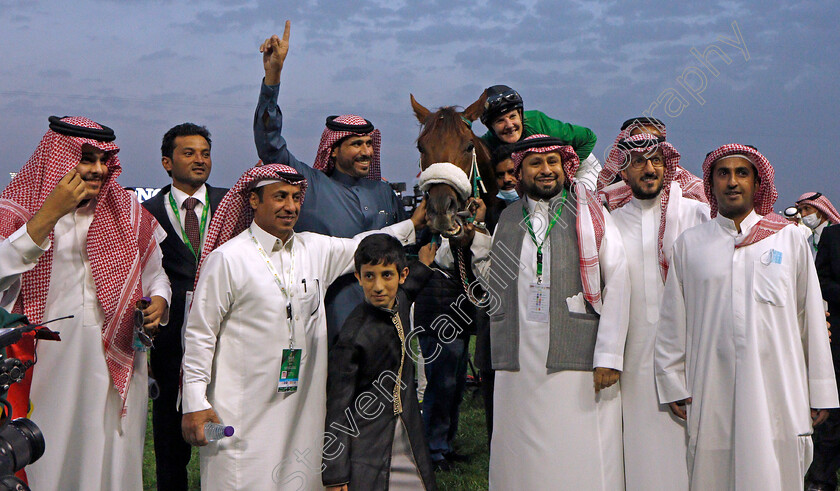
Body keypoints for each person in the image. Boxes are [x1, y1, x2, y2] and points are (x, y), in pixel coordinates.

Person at [180, 164, 424, 490]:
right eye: (280, 197)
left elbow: (365, 245)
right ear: (253, 200)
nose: (291, 206)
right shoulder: (228, 259)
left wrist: (414, 223)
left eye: (296, 197)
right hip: (242, 408)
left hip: (303, 405)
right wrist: (195, 401)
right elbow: (200, 334)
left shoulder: (314, 249)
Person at [0, 116, 171, 490]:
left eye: (103, 159)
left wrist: (159, 299)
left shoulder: (125, 211)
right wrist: (49, 215)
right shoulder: (18, 212)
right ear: (59, 160)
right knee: (50, 453)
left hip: (119, 362)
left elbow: (156, 272)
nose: (97, 169)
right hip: (47, 365)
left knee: (113, 457)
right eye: (86, 158)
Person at [654, 144, 839, 489]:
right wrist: (673, 383)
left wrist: (821, 390)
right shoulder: (690, 245)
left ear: (757, 184)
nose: (733, 182)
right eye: (723, 174)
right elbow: (672, 322)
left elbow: (809, 318)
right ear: (712, 184)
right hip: (711, 391)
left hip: (779, 391)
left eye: (742, 173)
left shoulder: (789, 239)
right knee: (713, 473)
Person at [470, 134, 630, 489]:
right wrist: (475, 242)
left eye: (553, 163)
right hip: (519, 364)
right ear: (521, 171)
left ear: (565, 167)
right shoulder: (509, 219)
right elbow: (495, 282)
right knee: (520, 454)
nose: (546, 170)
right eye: (536, 164)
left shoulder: (590, 214)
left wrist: (609, 355)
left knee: (577, 451)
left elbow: (618, 282)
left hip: (579, 360)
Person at [253, 22, 408, 344]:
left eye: (369, 143)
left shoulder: (384, 193)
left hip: (385, 319)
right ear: (333, 149)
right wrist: (272, 81)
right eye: (356, 144)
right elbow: (269, 144)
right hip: (326, 318)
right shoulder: (309, 184)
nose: (366, 151)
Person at [605, 133, 710, 490]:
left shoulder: (696, 214)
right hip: (633, 361)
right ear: (624, 171)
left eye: (656, 161)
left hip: (692, 353)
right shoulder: (611, 224)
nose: (649, 169)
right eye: (638, 162)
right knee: (642, 454)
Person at [141, 122, 228, 490]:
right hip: (170, 343)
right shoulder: (145, 212)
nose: (200, 160)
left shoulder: (232, 204)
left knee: (223, 433)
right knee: (169, 440)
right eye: (189, 153)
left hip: (225, 337)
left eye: (205, 153)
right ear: (166, 161)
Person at [322, 234, 438, 491]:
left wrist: (426, 263)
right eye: (369, 276)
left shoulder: (401, 300)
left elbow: (412, 286)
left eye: (387, 275)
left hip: (408, 431)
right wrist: (335, 473)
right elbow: (338, 409)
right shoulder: (352, 337)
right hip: (368, 443)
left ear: (401, 275)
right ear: (358, 278)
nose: (378, 287)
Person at [478, 85, 601, 189]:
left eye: (512, 117)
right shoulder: (486, 144)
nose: (509, 125)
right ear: (490, 127)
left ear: (520, 114)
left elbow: (589, 138)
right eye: (500, 121)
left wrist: (563, 171)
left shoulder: (538, 123)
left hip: (580, 165)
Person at [598, 117, 706, 210]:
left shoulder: (689, 187)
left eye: (654, 139)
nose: (647, 142)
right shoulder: (609, 190)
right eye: (639, 140)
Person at [809, 221, 840, 491]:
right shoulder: (833, 235)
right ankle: (821, 479)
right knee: (833, 420)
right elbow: (820, 279)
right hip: (838, 341)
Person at [796, 192, 840, 257]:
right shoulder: (810, 239)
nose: (803, 214)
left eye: (807, 209)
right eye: (800, 210)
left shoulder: (836, 234)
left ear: (821, 210)